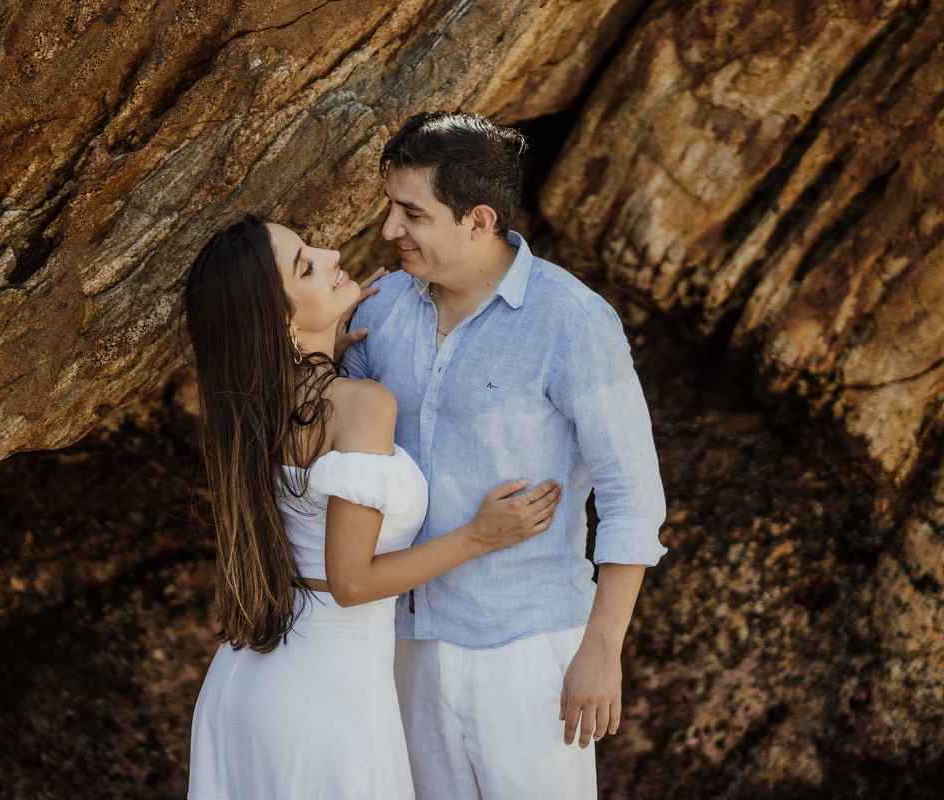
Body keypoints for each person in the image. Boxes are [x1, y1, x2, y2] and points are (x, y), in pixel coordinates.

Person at [341, 111, 668, 799]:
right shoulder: (386, 306)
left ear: (478, 220)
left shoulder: (572, 321)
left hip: (530, 649)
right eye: (390, 209)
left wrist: (602, 649)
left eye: (411, 214)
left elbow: (632, 493)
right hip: (402, 642)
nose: (389, 230)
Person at [183, 215, 562, 800]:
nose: (334, 253)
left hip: (249, 682)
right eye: (307, 265)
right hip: (326, 693)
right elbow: (352, 582)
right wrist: (480, 536)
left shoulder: (252, 405)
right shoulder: (360, 405)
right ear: (278, 319)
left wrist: (325, 341)